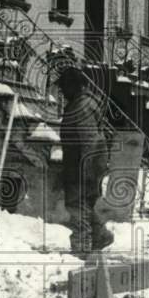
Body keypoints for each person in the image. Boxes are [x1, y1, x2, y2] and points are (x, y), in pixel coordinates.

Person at [57, 66, 113, 255]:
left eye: (64, 87)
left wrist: (85, 172)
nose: (62, 92)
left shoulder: (81, 107)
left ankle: (80, 248)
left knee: (76, 204)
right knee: (88, 203)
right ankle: (100, 235)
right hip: (86, 164)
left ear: (74, 86)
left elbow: (89, 141)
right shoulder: (84, 103)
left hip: (82, 165)